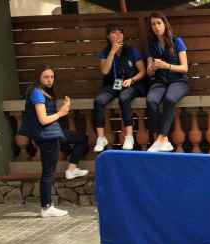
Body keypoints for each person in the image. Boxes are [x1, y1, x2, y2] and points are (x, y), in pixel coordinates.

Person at [18, 65, 89, 218]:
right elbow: (43, 120)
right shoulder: (37, 93)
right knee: (48, 172)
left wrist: (63, 108)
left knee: (81, 138)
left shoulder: (43, 91)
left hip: (52, 133)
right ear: (38, 77)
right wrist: (62, 112)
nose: (50, 80)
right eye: (46, 77)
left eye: (51, 76)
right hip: (46, 136)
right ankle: (46, 207)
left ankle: (71, 169)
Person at [93, 24, 147, 152]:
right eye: (114, 32)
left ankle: (129, 136)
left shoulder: (131, 50)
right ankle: (101, 138)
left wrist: (132, 79)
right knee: (98, 101)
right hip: (113, 84)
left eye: (120, 32)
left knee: (124, 97)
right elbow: (105, 71)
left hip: (132, 84)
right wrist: (112, 52)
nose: (118, 35)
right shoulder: (105, 52)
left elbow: (142, 71)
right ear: (108, 36)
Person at [145, 11, 189, 152]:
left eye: (159, 23)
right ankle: (164, 140)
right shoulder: (152, 45)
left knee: (169, 99)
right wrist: (151, 68)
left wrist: (167, 66)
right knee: (151, 100)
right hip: (161, 81)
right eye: (153, 24)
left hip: (179, 81)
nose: (156, 26)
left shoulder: (177, 41)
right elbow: (149, 70)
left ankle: (160, 138)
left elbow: (185, 68)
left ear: (165, 24)